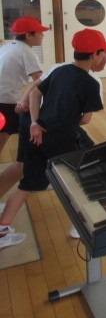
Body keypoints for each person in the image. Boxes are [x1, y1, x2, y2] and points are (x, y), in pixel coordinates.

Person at [0, 29, 106, 248]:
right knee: (81, 177)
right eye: (103, 52)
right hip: (63, 138)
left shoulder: (60, 70)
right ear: (95, 54)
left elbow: (35, 94)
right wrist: (66, 119)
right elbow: (85, 120)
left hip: (37, 134)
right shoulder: (91, 83)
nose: (104, 56)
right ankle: (82, 225)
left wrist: (35, 123)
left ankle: (2, 229)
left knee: (27, 184)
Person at [0, 17, 48, 209]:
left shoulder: (8, 46)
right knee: (23, 147)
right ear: (28, 35)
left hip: (4, 101)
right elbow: (40, 80)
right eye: (40, 33)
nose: (43, 36)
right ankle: (33, 175)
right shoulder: (25, 50)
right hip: (5, 104)